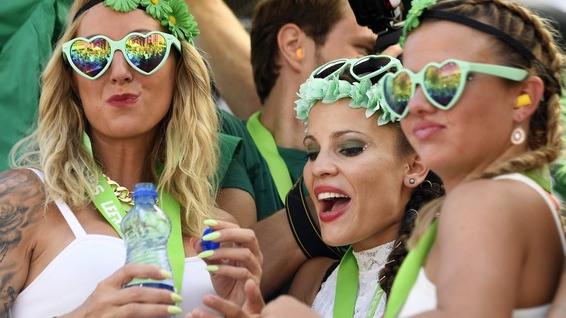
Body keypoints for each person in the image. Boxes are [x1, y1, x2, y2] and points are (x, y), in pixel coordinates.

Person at [0, 0, 261, 316]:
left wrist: (247, 310)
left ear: (179, 71)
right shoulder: (24, 199)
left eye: (144, 49)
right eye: (92, 55)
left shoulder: (218, 230)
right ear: (72, 80)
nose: (118, 72)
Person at [186, 54, 445, 318]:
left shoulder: (452, 269)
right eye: (312, 152)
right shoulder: (312, 281)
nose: (319, 167)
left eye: (350, 148)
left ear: (414, 166)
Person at [376, 0, 566, 316]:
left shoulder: (485, 201)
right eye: (404, 85)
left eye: (444, 80)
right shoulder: (516, 199)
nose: (417, 104)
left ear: (524, 97)